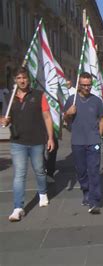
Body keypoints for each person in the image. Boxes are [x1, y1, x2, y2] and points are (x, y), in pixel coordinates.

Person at [1, 67, 54, 222]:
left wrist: (50, 137)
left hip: (37, 140)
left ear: (28, 79)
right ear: (15, 80)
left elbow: (47, 117)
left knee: (39, 170)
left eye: (24, 78)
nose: (22, 81)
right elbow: (5, 117)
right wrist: (4, 120)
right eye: (18, 78)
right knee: (19, 174)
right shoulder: (9, 98)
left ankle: (43, 193)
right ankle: (18, 207)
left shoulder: (38, 95)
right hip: (18, 141)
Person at [64, 72, 103, 214]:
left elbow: (101, 120)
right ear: (79, 85)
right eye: (84, 85)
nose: (87, 88)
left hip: (93, 140)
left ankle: (94, 201)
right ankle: (86, 191)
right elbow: (65, 121)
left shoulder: (97, 101)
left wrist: (98, 137)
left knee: (93, 170)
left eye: (89, 85)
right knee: (81, 171)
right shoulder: (71, 100)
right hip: (77, 141)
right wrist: (68, 113)